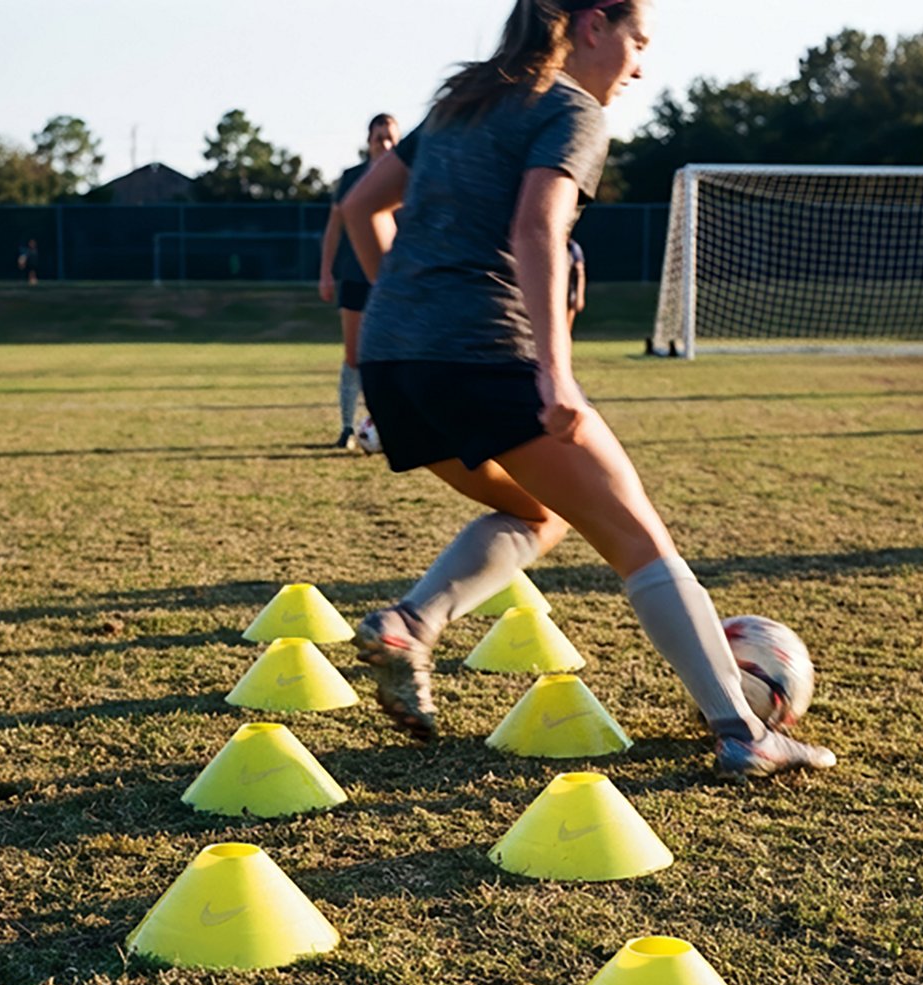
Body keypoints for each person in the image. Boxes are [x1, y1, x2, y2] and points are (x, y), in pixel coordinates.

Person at [342, 0, 835, 778]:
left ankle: (412, 623)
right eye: (638, 42)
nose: (640, 66)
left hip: (397, 364)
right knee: (640, 541)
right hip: (488, 356)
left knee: (533, 513)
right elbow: (537, 228)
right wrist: (555, 368)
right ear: (594, 24)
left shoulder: (464, 100)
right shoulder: (570, 107)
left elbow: (360, 208)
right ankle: (745, 733)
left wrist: (410, 316)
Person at [319, 113, 400, 450]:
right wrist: (326, 271)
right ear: (368, 140)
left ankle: (390, 424)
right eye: (378, 137)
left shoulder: (406, 176)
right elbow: (334, 227)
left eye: (390, 137)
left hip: (393, 280)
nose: (384, 143)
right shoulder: (352, 178)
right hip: (354, 277)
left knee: (390, 355)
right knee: (354, 356)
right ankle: (347, 427)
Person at [567, 237, 586, 333]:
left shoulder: (572, 248)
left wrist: (580, 295)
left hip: (568, 293)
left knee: (565, 329)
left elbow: (580, 272)